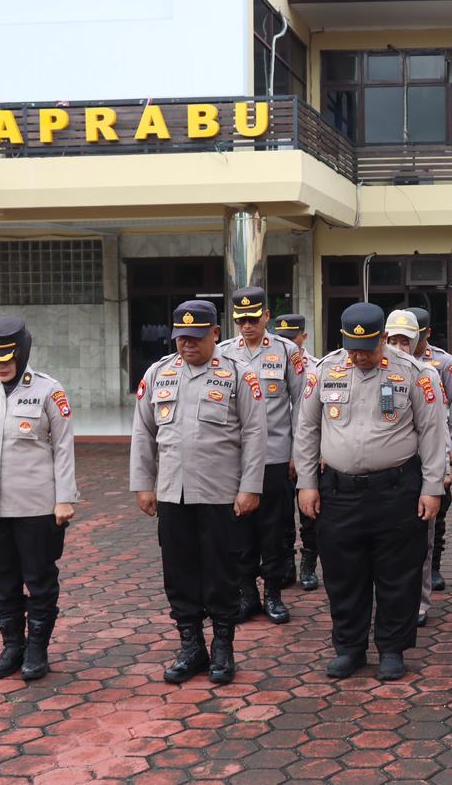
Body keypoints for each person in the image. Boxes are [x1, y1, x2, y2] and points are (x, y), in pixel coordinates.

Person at [294, 303, 447, 681]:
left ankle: (392, 649)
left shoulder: (414, 373)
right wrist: (307, 483)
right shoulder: (325, 370)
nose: (360, 356)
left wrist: (432, 488)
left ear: (383, 338)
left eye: (367, 348)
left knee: (398, 574)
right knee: (344, 574)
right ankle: (350, 648)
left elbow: (433, 432)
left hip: (396, 490)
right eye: (353, 349)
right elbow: (307, 429)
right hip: (338, 491)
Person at [130, 300, 267, 685]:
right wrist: (143, 484)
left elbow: (255, 434)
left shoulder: (238, 374)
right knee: (179, 573)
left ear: (215, 334)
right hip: (172, 493)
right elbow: (143, 432)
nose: (187, 344)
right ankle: (191, 646)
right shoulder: (158, 373)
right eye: (181, 338)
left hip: (220, 494)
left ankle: (223, 645)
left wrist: (250, 487)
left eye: (195, 337)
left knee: (222, 572)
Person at [0, 317, 79, 681]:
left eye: (6, 358)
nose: (0, 365)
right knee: (1, 580)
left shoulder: (49, 391)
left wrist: (65, 498)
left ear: (22, 353)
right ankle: (12, 646)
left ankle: (37, 648)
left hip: (36, 507)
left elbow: (63, 447)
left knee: (39, 579)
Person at [220, 288, 305, 625]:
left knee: (274, 529)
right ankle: (247, 593)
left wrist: (298, 453)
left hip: (275, 455)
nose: (247, 325)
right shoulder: (224, 352)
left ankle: (273, 593)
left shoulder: (287, 351)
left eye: (253, 319)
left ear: (266, 316)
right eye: (241, 319)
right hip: (236, 459)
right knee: (238, 528)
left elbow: (302, 404)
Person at [384, 309, 448, 629]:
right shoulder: (381, 376)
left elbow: (438, 428)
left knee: (421, 541)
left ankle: (419, 602)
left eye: (405, 341)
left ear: (418, 340)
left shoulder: (427, 375)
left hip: (420, 470)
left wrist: (440, 473)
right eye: (393, 341)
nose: (399, 348)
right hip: (389, 474)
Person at [408, 306, 452, 595]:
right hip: (405, 448)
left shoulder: (442, 362)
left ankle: (434, 566)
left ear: (427, 333)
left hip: (436, 445)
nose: (408, 341)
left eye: (415, 336)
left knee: (438, 509)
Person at [273, 313, 320, 592]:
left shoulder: (317, 367)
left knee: (310, 513)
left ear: (304, 336)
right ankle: (287, 564)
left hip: (308, 451)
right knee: (280, 515)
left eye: (293, 337)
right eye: (283, 338)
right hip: (278, 450)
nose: (288, 343)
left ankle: (309, 565)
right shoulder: (270, 361)